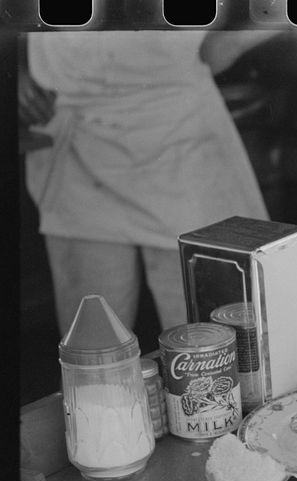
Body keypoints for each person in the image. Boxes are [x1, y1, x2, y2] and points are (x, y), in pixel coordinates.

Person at [19, 30, 276, 335]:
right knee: (92, 343)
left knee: (215, 339)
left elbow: (220, 47)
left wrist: (242, 35)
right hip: (75, 137)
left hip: (182, 136)